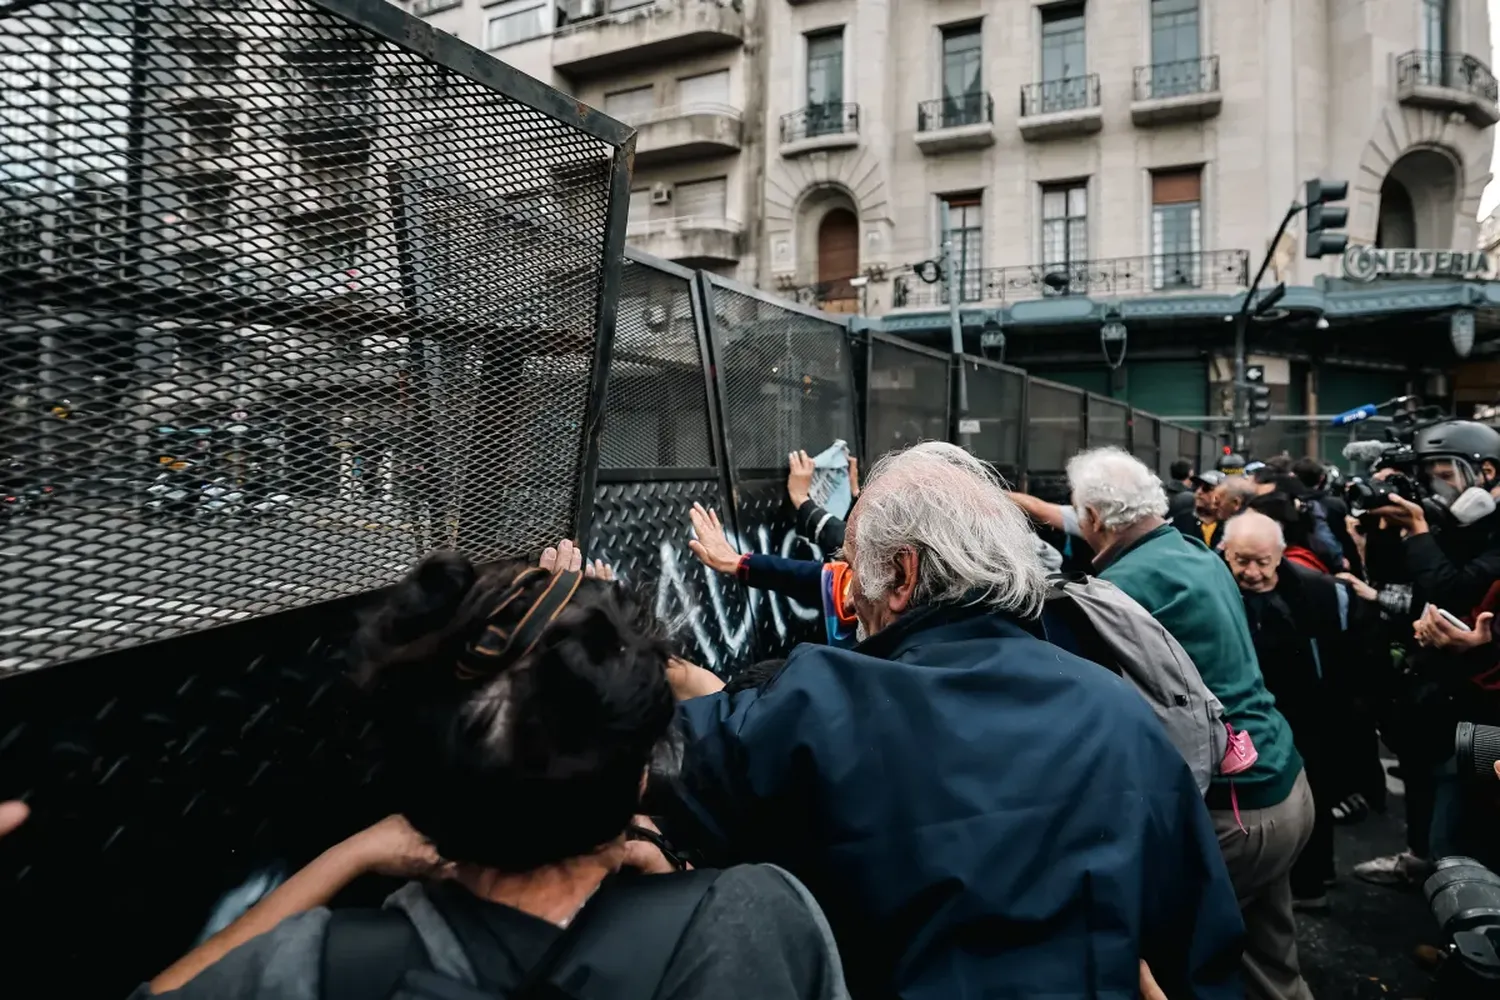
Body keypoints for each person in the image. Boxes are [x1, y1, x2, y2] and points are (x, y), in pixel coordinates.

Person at [139, 541, 844, 1000]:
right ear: (637, 782)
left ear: (422, 792)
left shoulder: (317, 967)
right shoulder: (755, 920)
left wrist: (353, 854)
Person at [665, 442, 1244, 1000]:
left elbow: (648, 760)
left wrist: (592, 632)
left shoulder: (814, 703)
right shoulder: (1117, 710)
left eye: (849, 567)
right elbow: (1196, 937)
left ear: (900, 576)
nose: (846, 592)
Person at [1065, 447, 1312, 1000]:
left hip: (1235, 814)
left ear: (1095, 521)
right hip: (1285, 784)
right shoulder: (1195, 554)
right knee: (1271, 963)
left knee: (1174, 960)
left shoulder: (1119, 592)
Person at [1222, 512, 1366, 912]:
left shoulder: (1316, 591)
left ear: (1281, 555)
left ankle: (1312, 881)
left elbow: (1341, 655)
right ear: (1225, 553)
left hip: (1308, 708)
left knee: (1314, 790)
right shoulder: (1215, 587)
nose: (1251, 572)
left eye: (1262, 562)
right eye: (1241, 560)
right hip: (1248, 710)